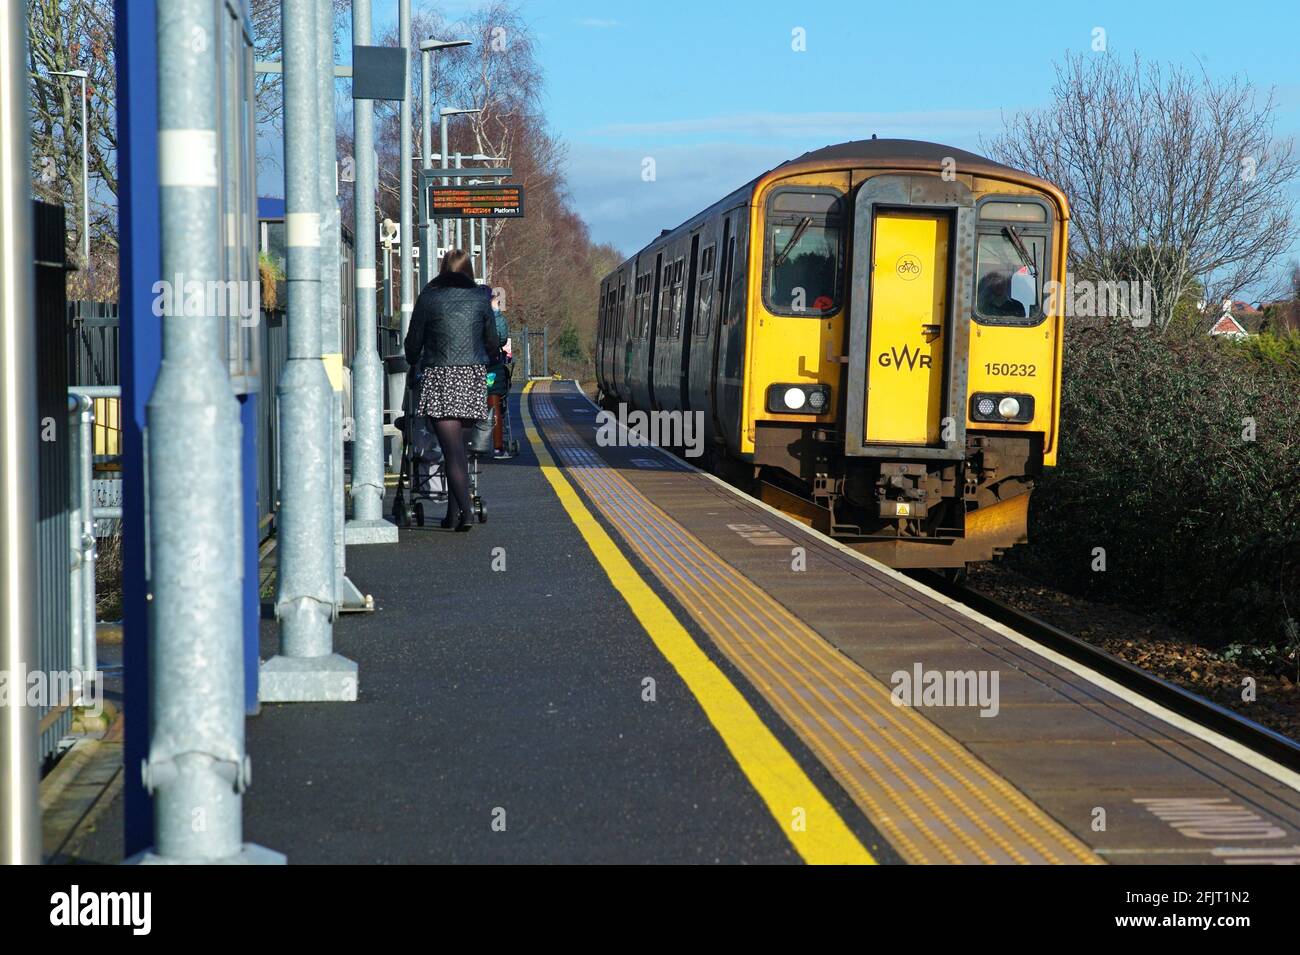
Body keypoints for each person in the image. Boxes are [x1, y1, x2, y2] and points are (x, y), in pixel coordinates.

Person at [404, 249, 501, 532]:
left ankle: (466, 514)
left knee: (452, 453)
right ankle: (453, 515)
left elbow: (413, 343)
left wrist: (415, 360)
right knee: (459, 451)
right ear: (469, 270)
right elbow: (492, 341)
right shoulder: (480, 299)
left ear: (443, 268)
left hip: (441, 377)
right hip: (472, 377)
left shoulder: (429, 297)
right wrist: (488, 358)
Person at [486, 294, 511, 459]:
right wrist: (495, 312)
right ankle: (497, 447)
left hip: (468, 369)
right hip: (491, 368)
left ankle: (468, 445)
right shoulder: (493, 317)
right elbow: (500, 338)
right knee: (494, 402)